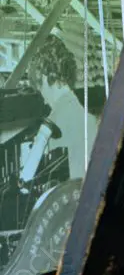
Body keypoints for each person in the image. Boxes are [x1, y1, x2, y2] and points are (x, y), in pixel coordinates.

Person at [25, 35, 98, 180]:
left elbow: (27, 178)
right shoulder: (87, 117)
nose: (45, 101)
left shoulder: (54, 121)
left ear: (44, 77)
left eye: (41, 90)